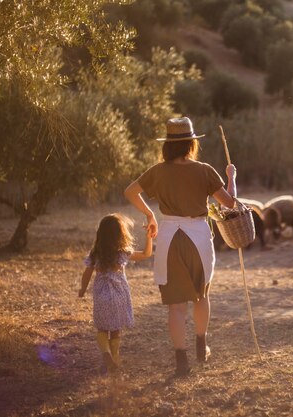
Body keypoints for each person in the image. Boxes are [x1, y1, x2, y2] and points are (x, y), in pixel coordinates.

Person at [124, 117, 236, 376]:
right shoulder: (205, 170)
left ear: (168, 145)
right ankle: (201, 344)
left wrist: (150, 215)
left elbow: (130, 191)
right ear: (191, 143)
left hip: (170, 238)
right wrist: (231, 177)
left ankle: (181, 361)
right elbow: (230, 203)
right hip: (198, 237)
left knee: (176, 306)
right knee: (202, 295)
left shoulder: (158, 171)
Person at [78, 213, 153, 373]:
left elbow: (87, 274)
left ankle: (106, 355)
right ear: (121, 234)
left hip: (101, 296)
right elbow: (147, 254)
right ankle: (115, 357)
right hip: (119, 295)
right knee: (116, 329)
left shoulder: (95, 253)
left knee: (102, 329)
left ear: (100, 234)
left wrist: (82, 289)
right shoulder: (122, 252)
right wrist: (149, 237)